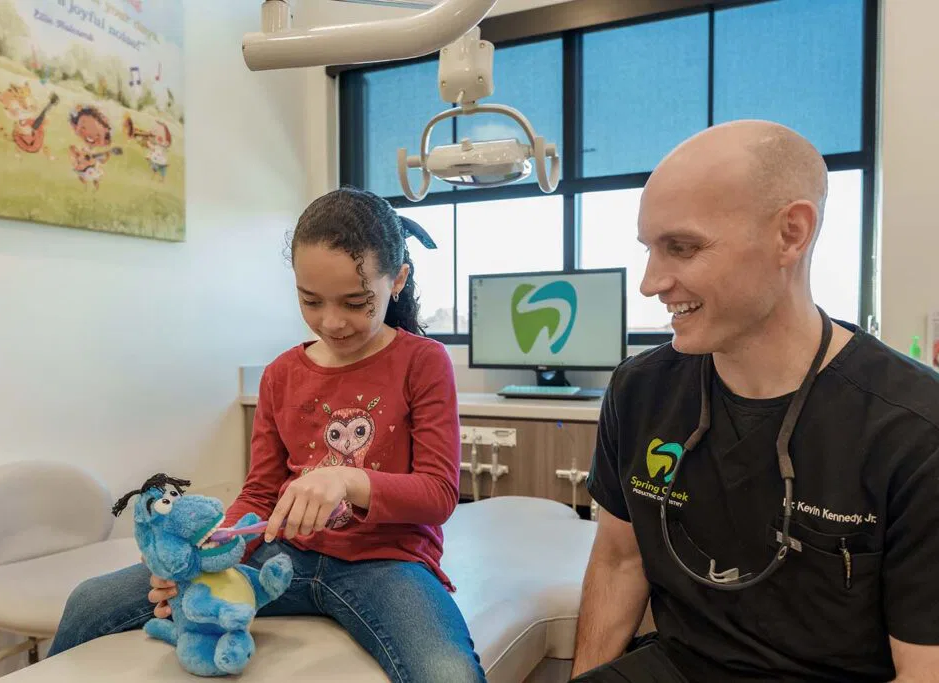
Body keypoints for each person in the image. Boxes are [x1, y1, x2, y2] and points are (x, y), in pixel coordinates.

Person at [48, 187, 487, 683]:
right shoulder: (281, 375)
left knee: (449, 673)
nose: (331, 321)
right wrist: (202, 556)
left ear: (398, 280)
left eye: (356, 302)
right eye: (310, 300)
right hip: (282, 558)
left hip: (387, 565)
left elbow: (438, 494)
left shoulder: (422, 362)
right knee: (90, 602)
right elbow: (260, 490)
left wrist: (344, 480)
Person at [569, 120, 939, 683]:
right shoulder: (639, 390)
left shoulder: (913, 428)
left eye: (683, 248)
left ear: (791, 234)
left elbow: (922, 670)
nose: (650, 283)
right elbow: (621, 560)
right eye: (650, 249)